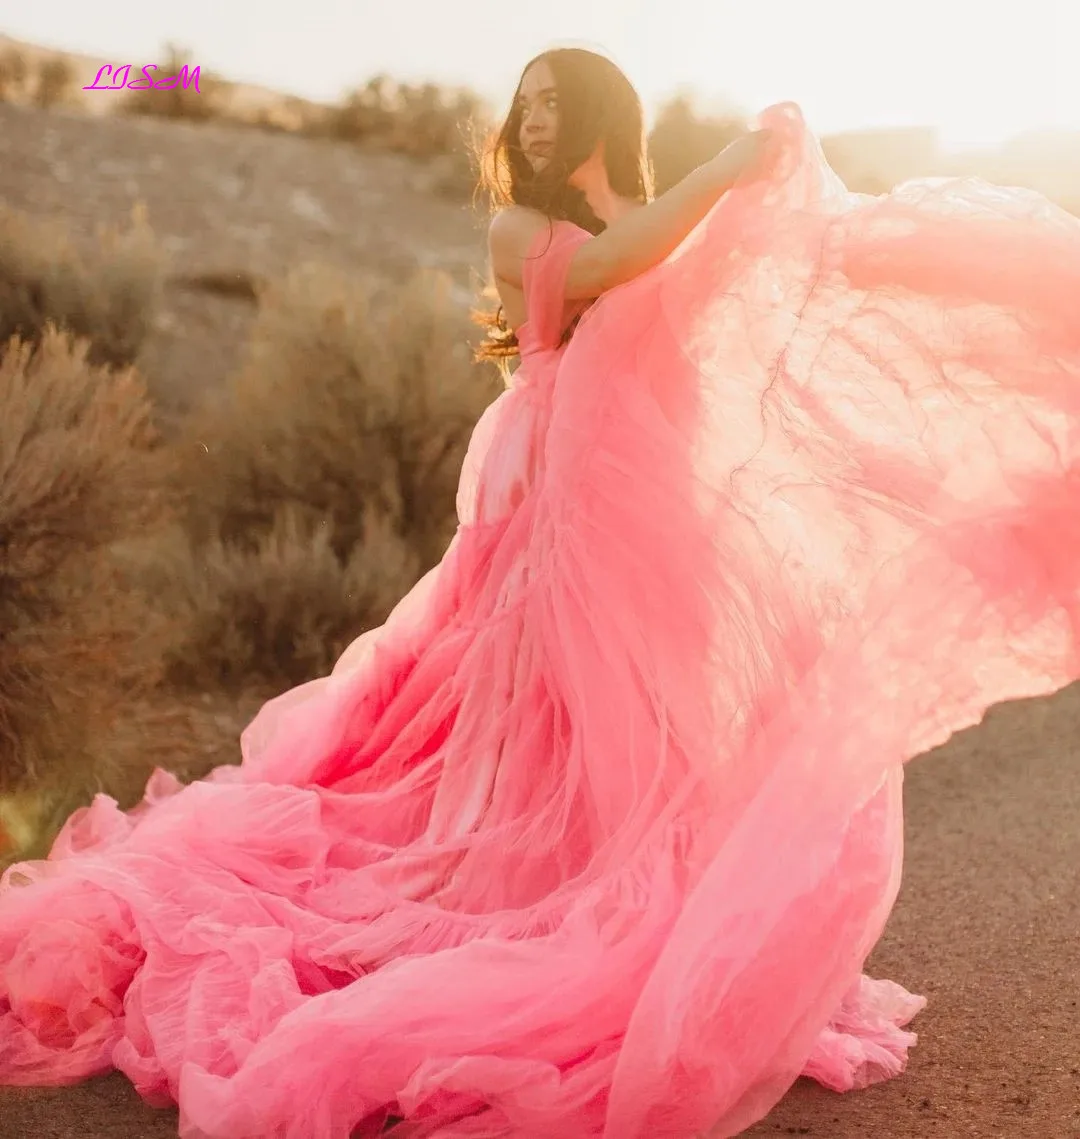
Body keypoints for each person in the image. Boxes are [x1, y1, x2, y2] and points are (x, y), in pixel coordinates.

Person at [2, 44, 1080, 1139]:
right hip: (561, 505)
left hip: (647, 507)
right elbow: (628, 258)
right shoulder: (526, 229)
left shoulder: (647, 206)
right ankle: (524, 910)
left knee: (653, 732)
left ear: (606, 111)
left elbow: (715, 299)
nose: (536, 122)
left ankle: (647, 915)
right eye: (527, 107)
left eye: (559, 104)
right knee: (540, 720)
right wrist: (735, 167)